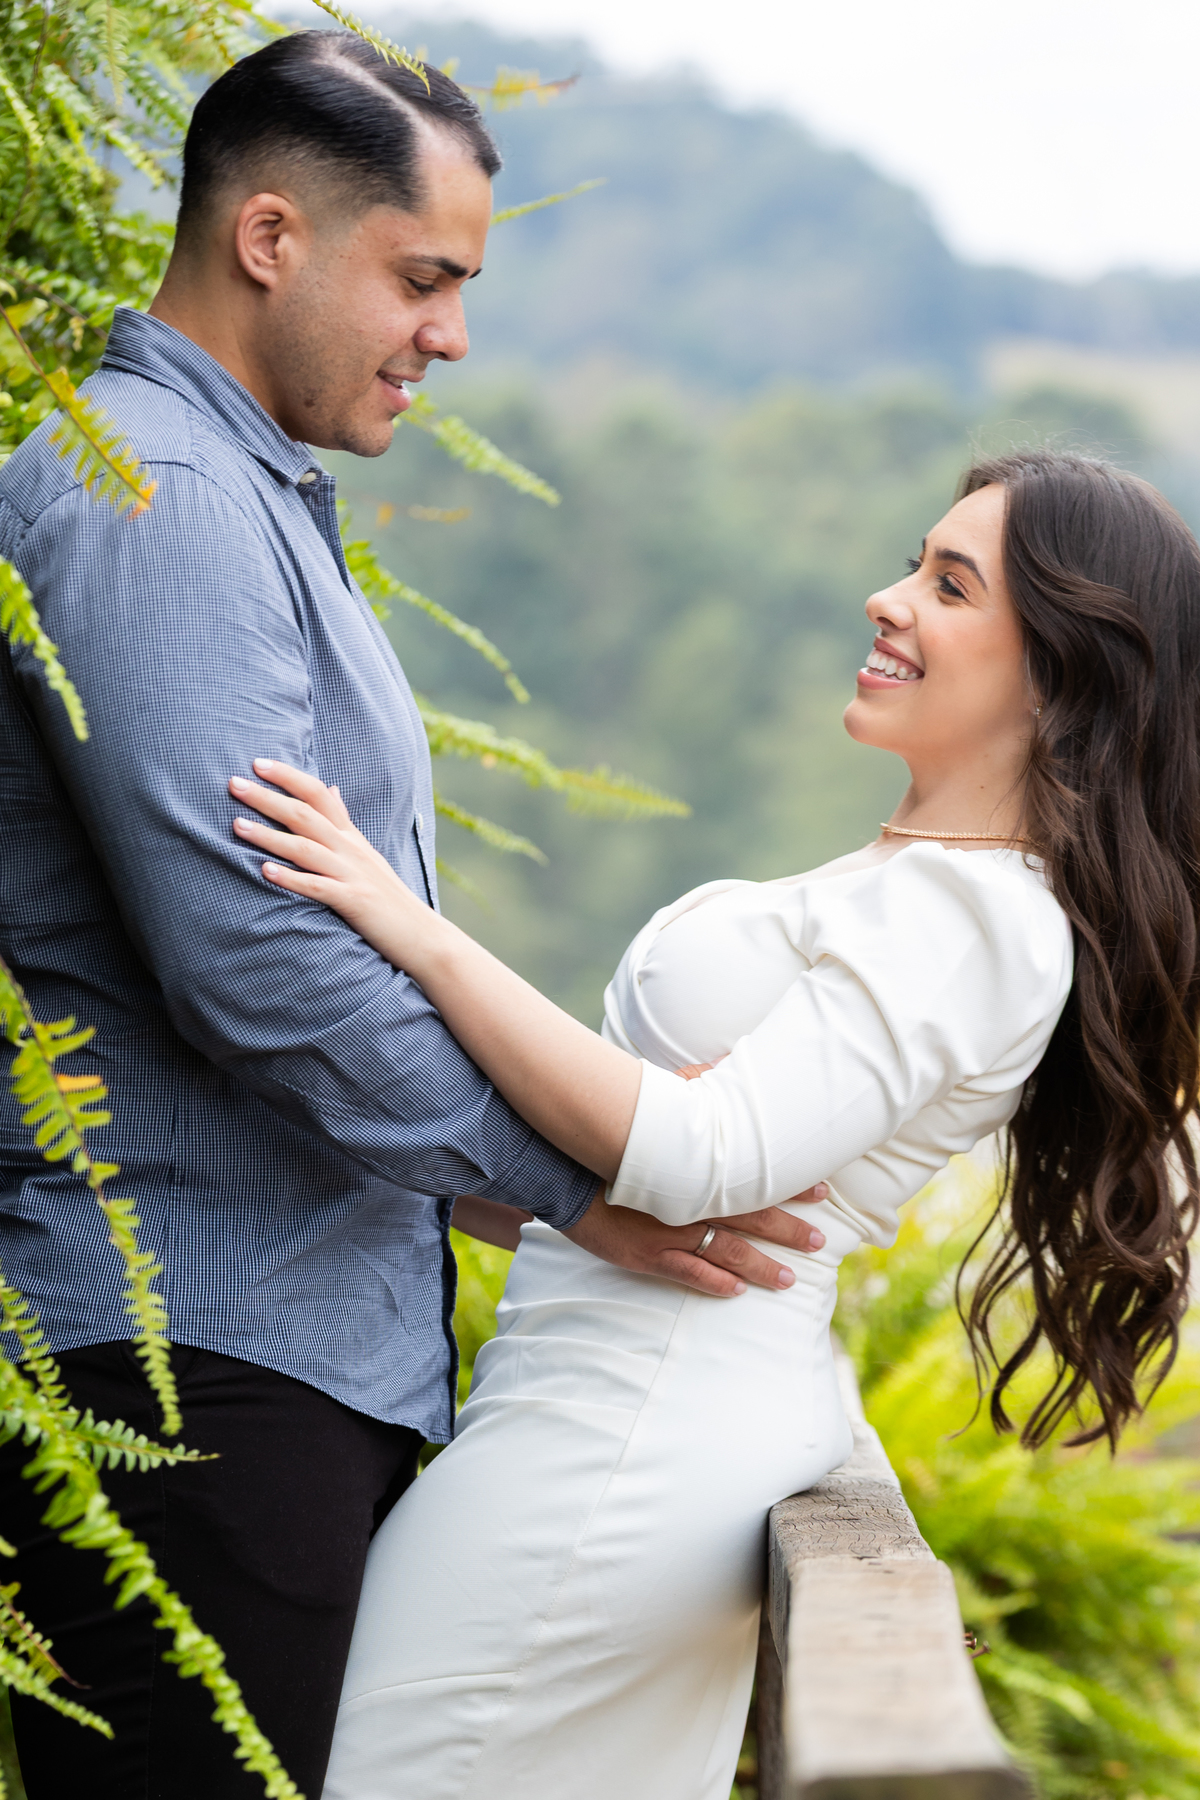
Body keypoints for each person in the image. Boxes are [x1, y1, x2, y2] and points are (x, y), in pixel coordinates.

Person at [0, 32, 821, 1800]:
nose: (452, 333)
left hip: (281, 1363)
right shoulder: (154, 499)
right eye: (425, 277)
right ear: (274, 237)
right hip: (195, 1379)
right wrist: (573, 1190)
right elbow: (260, 963)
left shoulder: (235, 496)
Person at [227, 450, 1200, 1800]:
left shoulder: (969, 916)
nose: (888, 599)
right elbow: (631, 1181)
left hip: (631, 1439)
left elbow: (699, 1156)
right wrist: (434, 1170)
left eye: (948, 584)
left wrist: (410, 931)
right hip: (606, 1413)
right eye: (915, 562)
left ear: (1063, 671)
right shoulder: (925, 883)